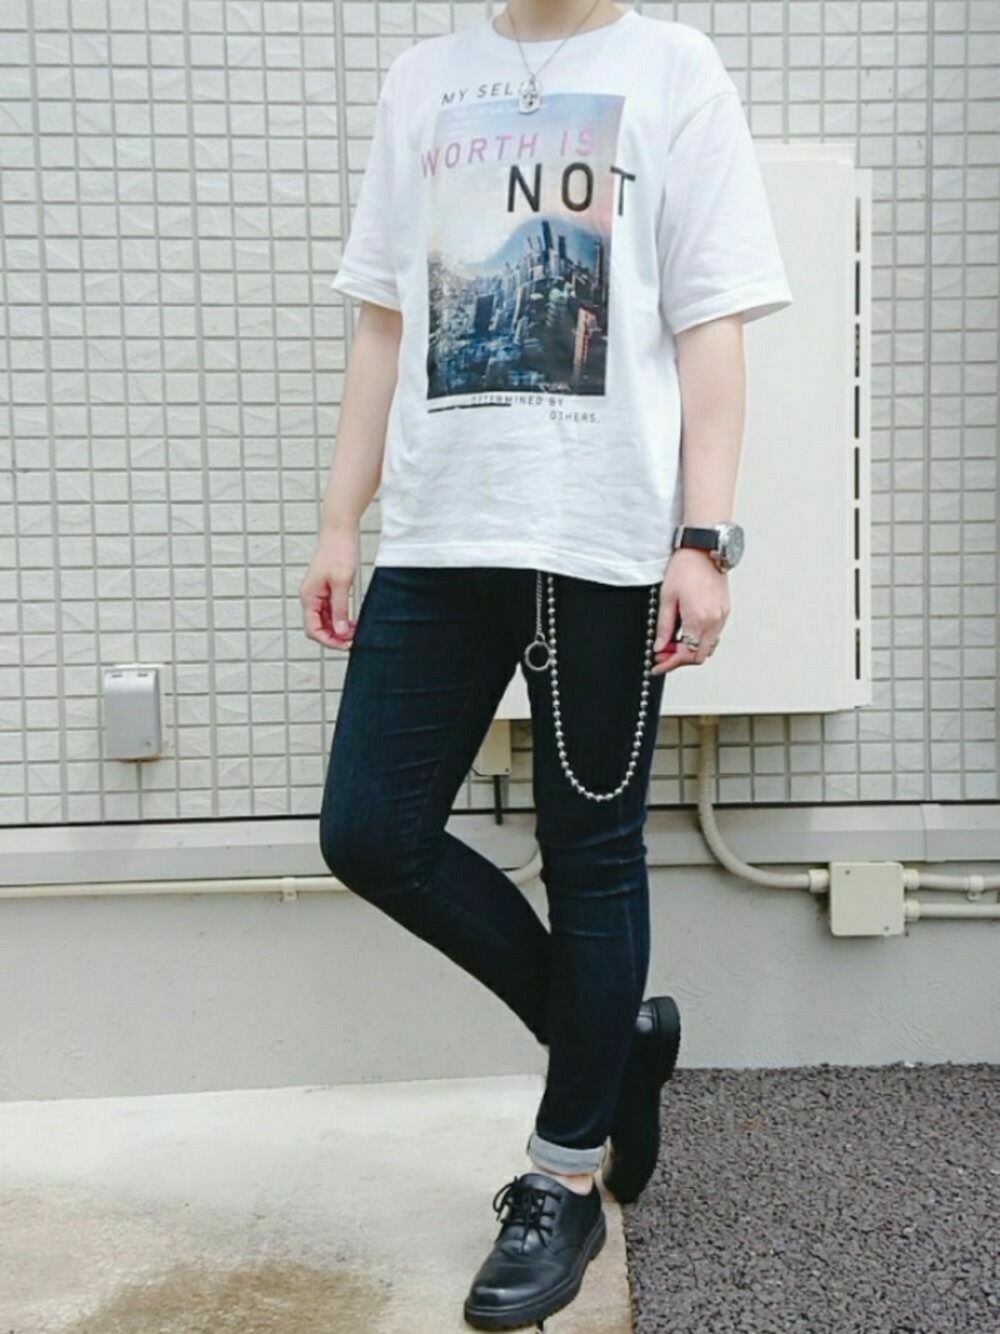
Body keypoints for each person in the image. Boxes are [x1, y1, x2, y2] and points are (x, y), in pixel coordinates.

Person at [302, 0, 793, 1326]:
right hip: (442, 533)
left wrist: (705, 539)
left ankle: (565, 1170)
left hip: (605, 542)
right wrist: (342, 521)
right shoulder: (424, 81)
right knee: (370, 830)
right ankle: (610, 1045)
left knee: (594, 854)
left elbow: (712, 320)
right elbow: (386, 321)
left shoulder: (673, 69)